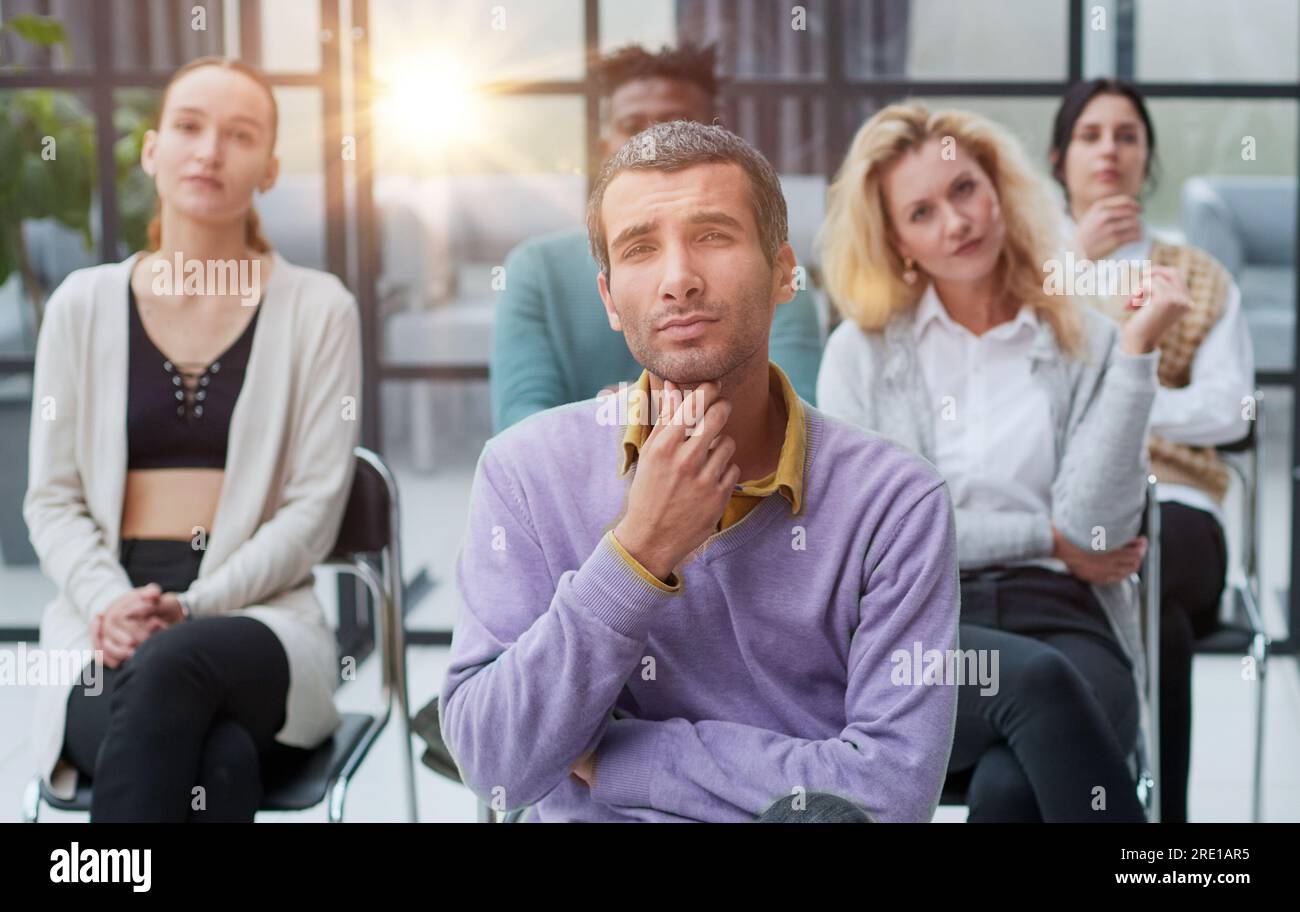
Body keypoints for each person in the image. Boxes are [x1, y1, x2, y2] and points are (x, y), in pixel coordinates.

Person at [440, 120, 960, 822]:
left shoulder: (896, 501)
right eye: (641, 248)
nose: (679, 279)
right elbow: (495, 768)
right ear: (609, 299)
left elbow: (892, 795)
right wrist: (639, 552)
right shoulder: (524, 473)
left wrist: (628, 760)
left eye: (713, 235)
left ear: (783, 274)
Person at [817, 103, 1190, 821]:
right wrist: (1043, 539)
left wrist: (1138, 355)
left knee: (1009, 789)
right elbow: (872, 544)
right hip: (919, 631)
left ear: (999, 188)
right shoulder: (859, 355)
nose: (956, 223)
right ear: (895, 239)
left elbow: (1096, 530)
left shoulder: (1088, 336)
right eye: (921, 212)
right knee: (1040, 688)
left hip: (1066, 619)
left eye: (964, 190)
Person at [26, 56, 362, 822]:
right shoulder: (81, 305)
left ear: (270, 169)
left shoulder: (320, 309)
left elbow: (312, 511)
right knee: (221, 761)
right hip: (101, 625)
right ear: (152, 150)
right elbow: (50, 499)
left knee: (182, 663)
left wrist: (196, 602)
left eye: (239, 135)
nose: (210, 150)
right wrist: (111, 602)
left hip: (262, 617)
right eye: (188, 127)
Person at [1050, 78, 1255, 822]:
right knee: (1136, 605)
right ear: (1059, 156)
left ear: (1148, 157)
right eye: (1091, 134)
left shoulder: (1199, 275)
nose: (1109, 149)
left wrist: (1126, 405)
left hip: (1176, 504)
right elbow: (1016, 389)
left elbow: (1233, 408)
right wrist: (1072, 263)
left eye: (1127, 135)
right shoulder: (1035, 273)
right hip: (1061, 504)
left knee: (1151, 572)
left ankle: (1155, 829)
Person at [488, 42, 824, 432]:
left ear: (719, 137)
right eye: (632, 127)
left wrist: (621, 416)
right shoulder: (537, 270)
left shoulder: (767, 268)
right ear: (601, 150)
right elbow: (523, 429)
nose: (651, 143)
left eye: (673, 125)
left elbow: (791, 416)